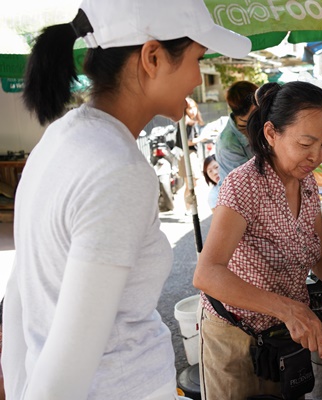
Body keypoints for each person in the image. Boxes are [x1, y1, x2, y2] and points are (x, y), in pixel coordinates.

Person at [1, 0, 250, 399]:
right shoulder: (118, 170)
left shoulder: (62, 137)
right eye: (196, 59)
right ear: (152, 56)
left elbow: (18, 298)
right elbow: (67, 368)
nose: (195, 79)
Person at [192, 81, 322, 399]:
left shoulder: (308, 184)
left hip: (281, 335)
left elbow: (320, 256)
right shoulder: (243, 187)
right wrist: (289, 309)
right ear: (271, 133)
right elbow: (207, 273)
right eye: (306, 143)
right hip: (234, 336)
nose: (316, 157)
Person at [211, 80, 258, 208]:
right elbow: (248, 183)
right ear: (254, 106)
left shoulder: (256, 125)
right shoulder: (228, 143)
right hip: (238, 205)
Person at [177, 97, 205, 213]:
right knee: (191, 183)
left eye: (194, 108)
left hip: (189, 154)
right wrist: (202, 138)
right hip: (187, 154)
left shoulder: (188, 121)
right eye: (189, 108)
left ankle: (190, 208)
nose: (192, 111)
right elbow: (187, 142)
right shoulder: (186, 122)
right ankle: (189, 209)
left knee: (191, 183)